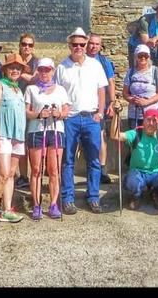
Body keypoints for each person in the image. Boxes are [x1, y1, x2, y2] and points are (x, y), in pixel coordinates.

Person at [55, 27, 108, 215]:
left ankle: (93, 197)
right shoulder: (62, 67)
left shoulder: (95, 65)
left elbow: (102, 90)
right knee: (67, 160)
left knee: (93, 159)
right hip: (70, 119)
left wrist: (100, 112)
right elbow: (57, 92)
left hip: (91, 117)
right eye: (75, 44)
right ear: (69, 45)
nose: (78, 47)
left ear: (86, 45)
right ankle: (67, 198)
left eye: (82, 44)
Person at [110, 103, 158, 210]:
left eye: (155, 121)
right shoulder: (136, 133)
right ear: (144, 121)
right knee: (130, 183)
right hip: (138, 172)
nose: (151, 123)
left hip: (157, 172)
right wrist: (116, 115)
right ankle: (136, 196)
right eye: (148, 120)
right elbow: (115, 135)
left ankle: (156, 195)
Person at [0, 53, 28, 228]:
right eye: (12, 68)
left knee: (11, 174)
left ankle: (7, 209)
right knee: (2, 174)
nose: (15, 71)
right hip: (3, 134)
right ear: (5, 70)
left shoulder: (18, 89)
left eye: (18, 68)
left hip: (18, 135)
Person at [24, 58, 70, 220]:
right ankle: (36, 204)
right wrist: (38, 114)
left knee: (54, 170)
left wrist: (59, 114)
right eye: (41, 69)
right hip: (36, 131)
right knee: (36, 170)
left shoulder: (61, 90)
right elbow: (26, 112)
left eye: (48, 70)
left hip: (56, 130)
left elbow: (66, 111)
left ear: (53, 71)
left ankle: (53, 204)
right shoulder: (31, 89)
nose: (44, 73)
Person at [86, 33, 116, 184]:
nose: (93, 46)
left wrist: (112, 102)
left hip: (100, 105)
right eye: (91, 43)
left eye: (97, 44)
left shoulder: (104, 62)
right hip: (82, 106)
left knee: (101, 136)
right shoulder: (79, 60)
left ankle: (102, 169)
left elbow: (110, 82)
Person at [15, 33, 39, 190]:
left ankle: (35, 174)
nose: (27, 47)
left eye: (30, 45)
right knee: (21, 143)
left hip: (32, 107)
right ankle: (23, 176)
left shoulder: (37, 62)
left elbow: (34, 80)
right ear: (20, 45)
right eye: (24, 44)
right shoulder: (14, 59)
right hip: (16, 106)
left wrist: (19, 72)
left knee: (33, 144)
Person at [123, 44, 158, 129]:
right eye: (140, 56)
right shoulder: (131, 72)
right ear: (136, 57)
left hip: (152, 114)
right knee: (135, 140)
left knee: (152, 140)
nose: (143, 58)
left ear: (149, 57)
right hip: (134, 114)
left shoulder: (155, 71)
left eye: (145, 56)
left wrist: (147, 102)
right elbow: (125, 93)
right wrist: (133, 100)